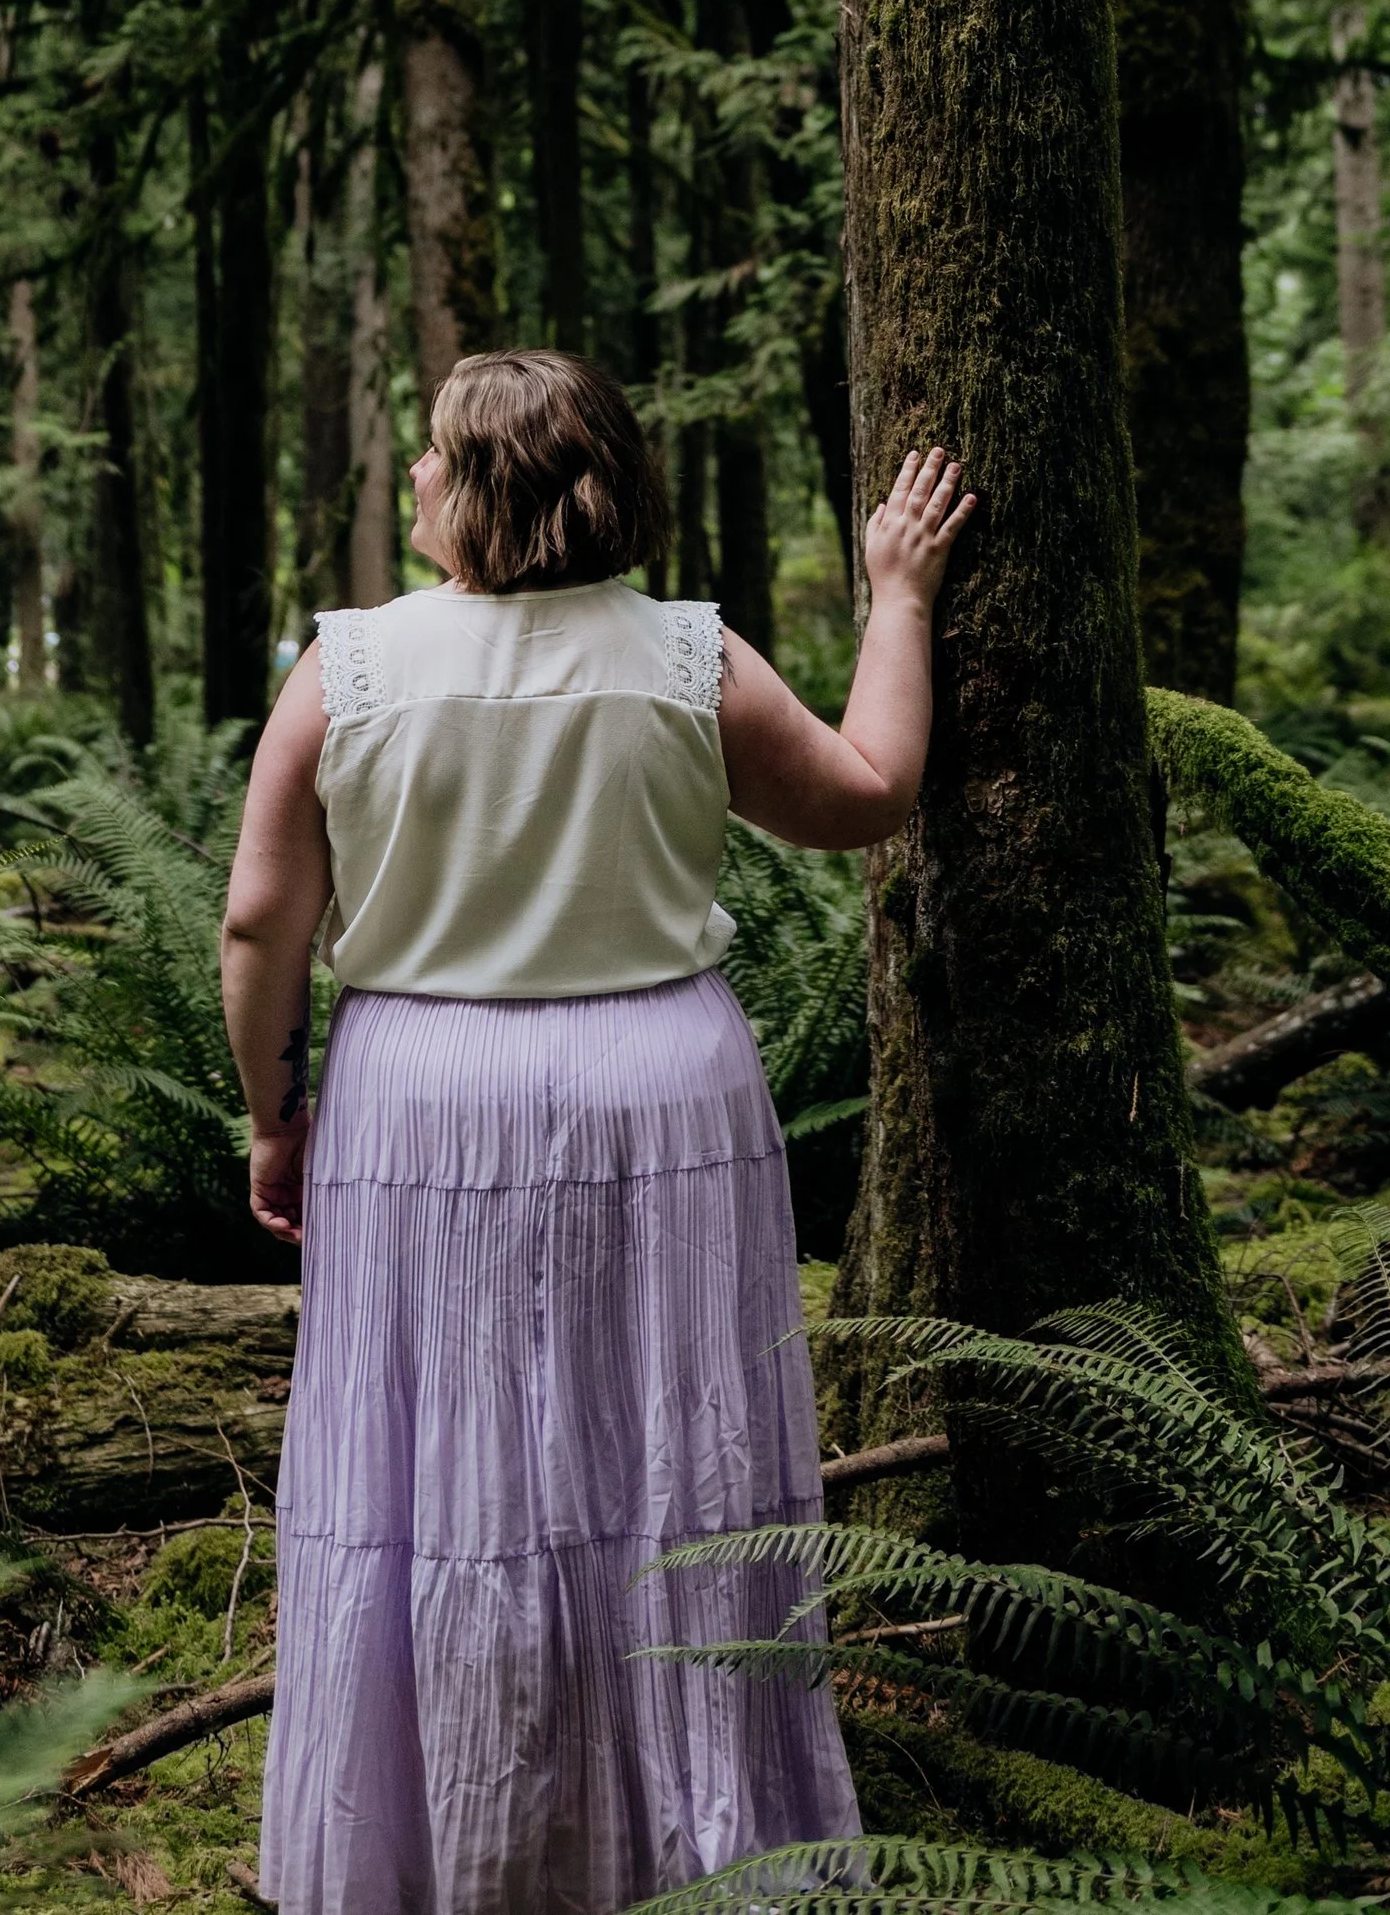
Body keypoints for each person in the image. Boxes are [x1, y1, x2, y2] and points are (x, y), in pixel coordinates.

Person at [221, 346, 975, 1915]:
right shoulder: (690, 659)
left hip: (421, 1096)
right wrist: (897, 598)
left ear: (486, 487)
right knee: (672, 1460)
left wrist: (273, 1118)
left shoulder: (346, 671)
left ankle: (447, 1850)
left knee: (433, 1477)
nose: (414, 481)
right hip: (664, 1089)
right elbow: (867, 791)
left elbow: (258, 923)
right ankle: (690, 1830)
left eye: (432, 457)